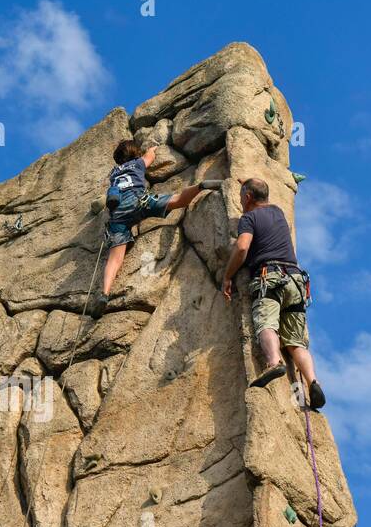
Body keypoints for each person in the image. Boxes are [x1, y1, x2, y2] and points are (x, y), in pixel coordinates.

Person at [222, 177, 325, 409]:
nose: (239, 200)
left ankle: (273, 363)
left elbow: (241, 248)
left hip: (270, 276)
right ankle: (313, 381)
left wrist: (227, 276)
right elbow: (258, 191)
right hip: (296, 280)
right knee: (296, 342)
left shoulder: (249, 218)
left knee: (266, 323)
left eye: (241, 196)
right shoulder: (278, 212)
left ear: (247, 197)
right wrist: (246, 182)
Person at [93, 139, 210, 316]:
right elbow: (151, 155)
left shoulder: (114, 173)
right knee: (178, 200)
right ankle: (201, 186)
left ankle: (105, 293)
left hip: (118, 213)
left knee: (114, 259)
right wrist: (153, 148)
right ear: (134, 152)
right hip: (139, 201)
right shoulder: (138, 163)